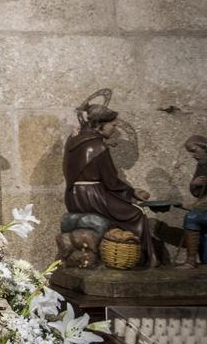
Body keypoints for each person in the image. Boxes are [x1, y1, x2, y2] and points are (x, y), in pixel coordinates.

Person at [63, 99, 158, 267]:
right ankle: (146, 260)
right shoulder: (98, 147)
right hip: (92, 197)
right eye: (113, 125)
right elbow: (111, 181)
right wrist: (131, 192)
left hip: (73, 197)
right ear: (101, 125)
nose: (114, 130)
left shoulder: (74, 142)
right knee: (136, 213)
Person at [179, 135, 207, 268]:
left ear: (205, 147)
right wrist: (194, 184)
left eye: (194, 150)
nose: (193, 155)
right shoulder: (204, 163)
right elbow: (198, 193)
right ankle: (192, 260)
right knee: (192, 217)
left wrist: (193, 206)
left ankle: (191, 261)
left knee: (192, 217)